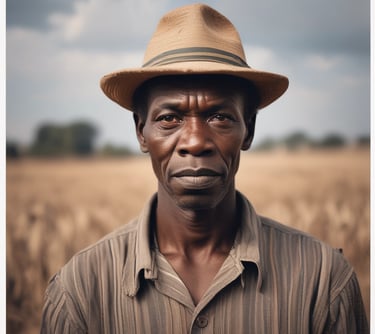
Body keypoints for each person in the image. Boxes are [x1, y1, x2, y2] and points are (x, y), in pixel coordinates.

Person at [41, 4, 368, 333]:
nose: (195, 141)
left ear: (249, 130)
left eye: (219, 117)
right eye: (169, 118)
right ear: (141, 132)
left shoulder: (324, 281)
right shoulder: (80, 290)